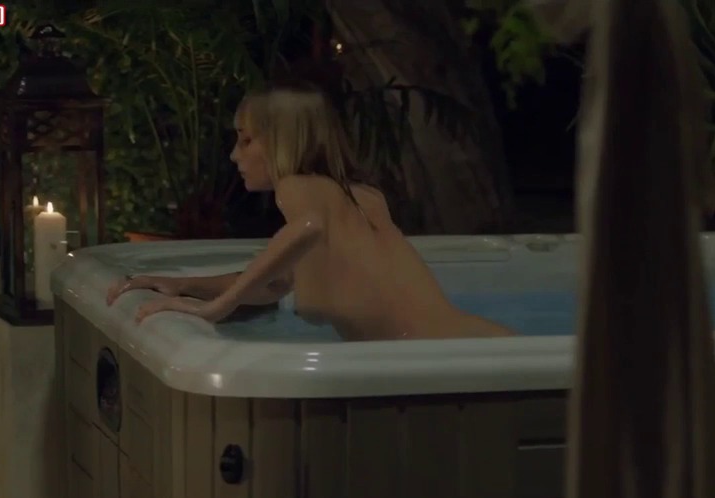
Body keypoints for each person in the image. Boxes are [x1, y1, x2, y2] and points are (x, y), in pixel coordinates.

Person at [106, 79, 515, 341]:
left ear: (284, 141)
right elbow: (272, 284)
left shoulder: (297, 188)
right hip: (471, 343)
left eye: (246, 140)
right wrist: (184, 284)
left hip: (441, 357)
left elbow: (307, 227)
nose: (234, 155)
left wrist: (215, 307)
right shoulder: (360, 197)